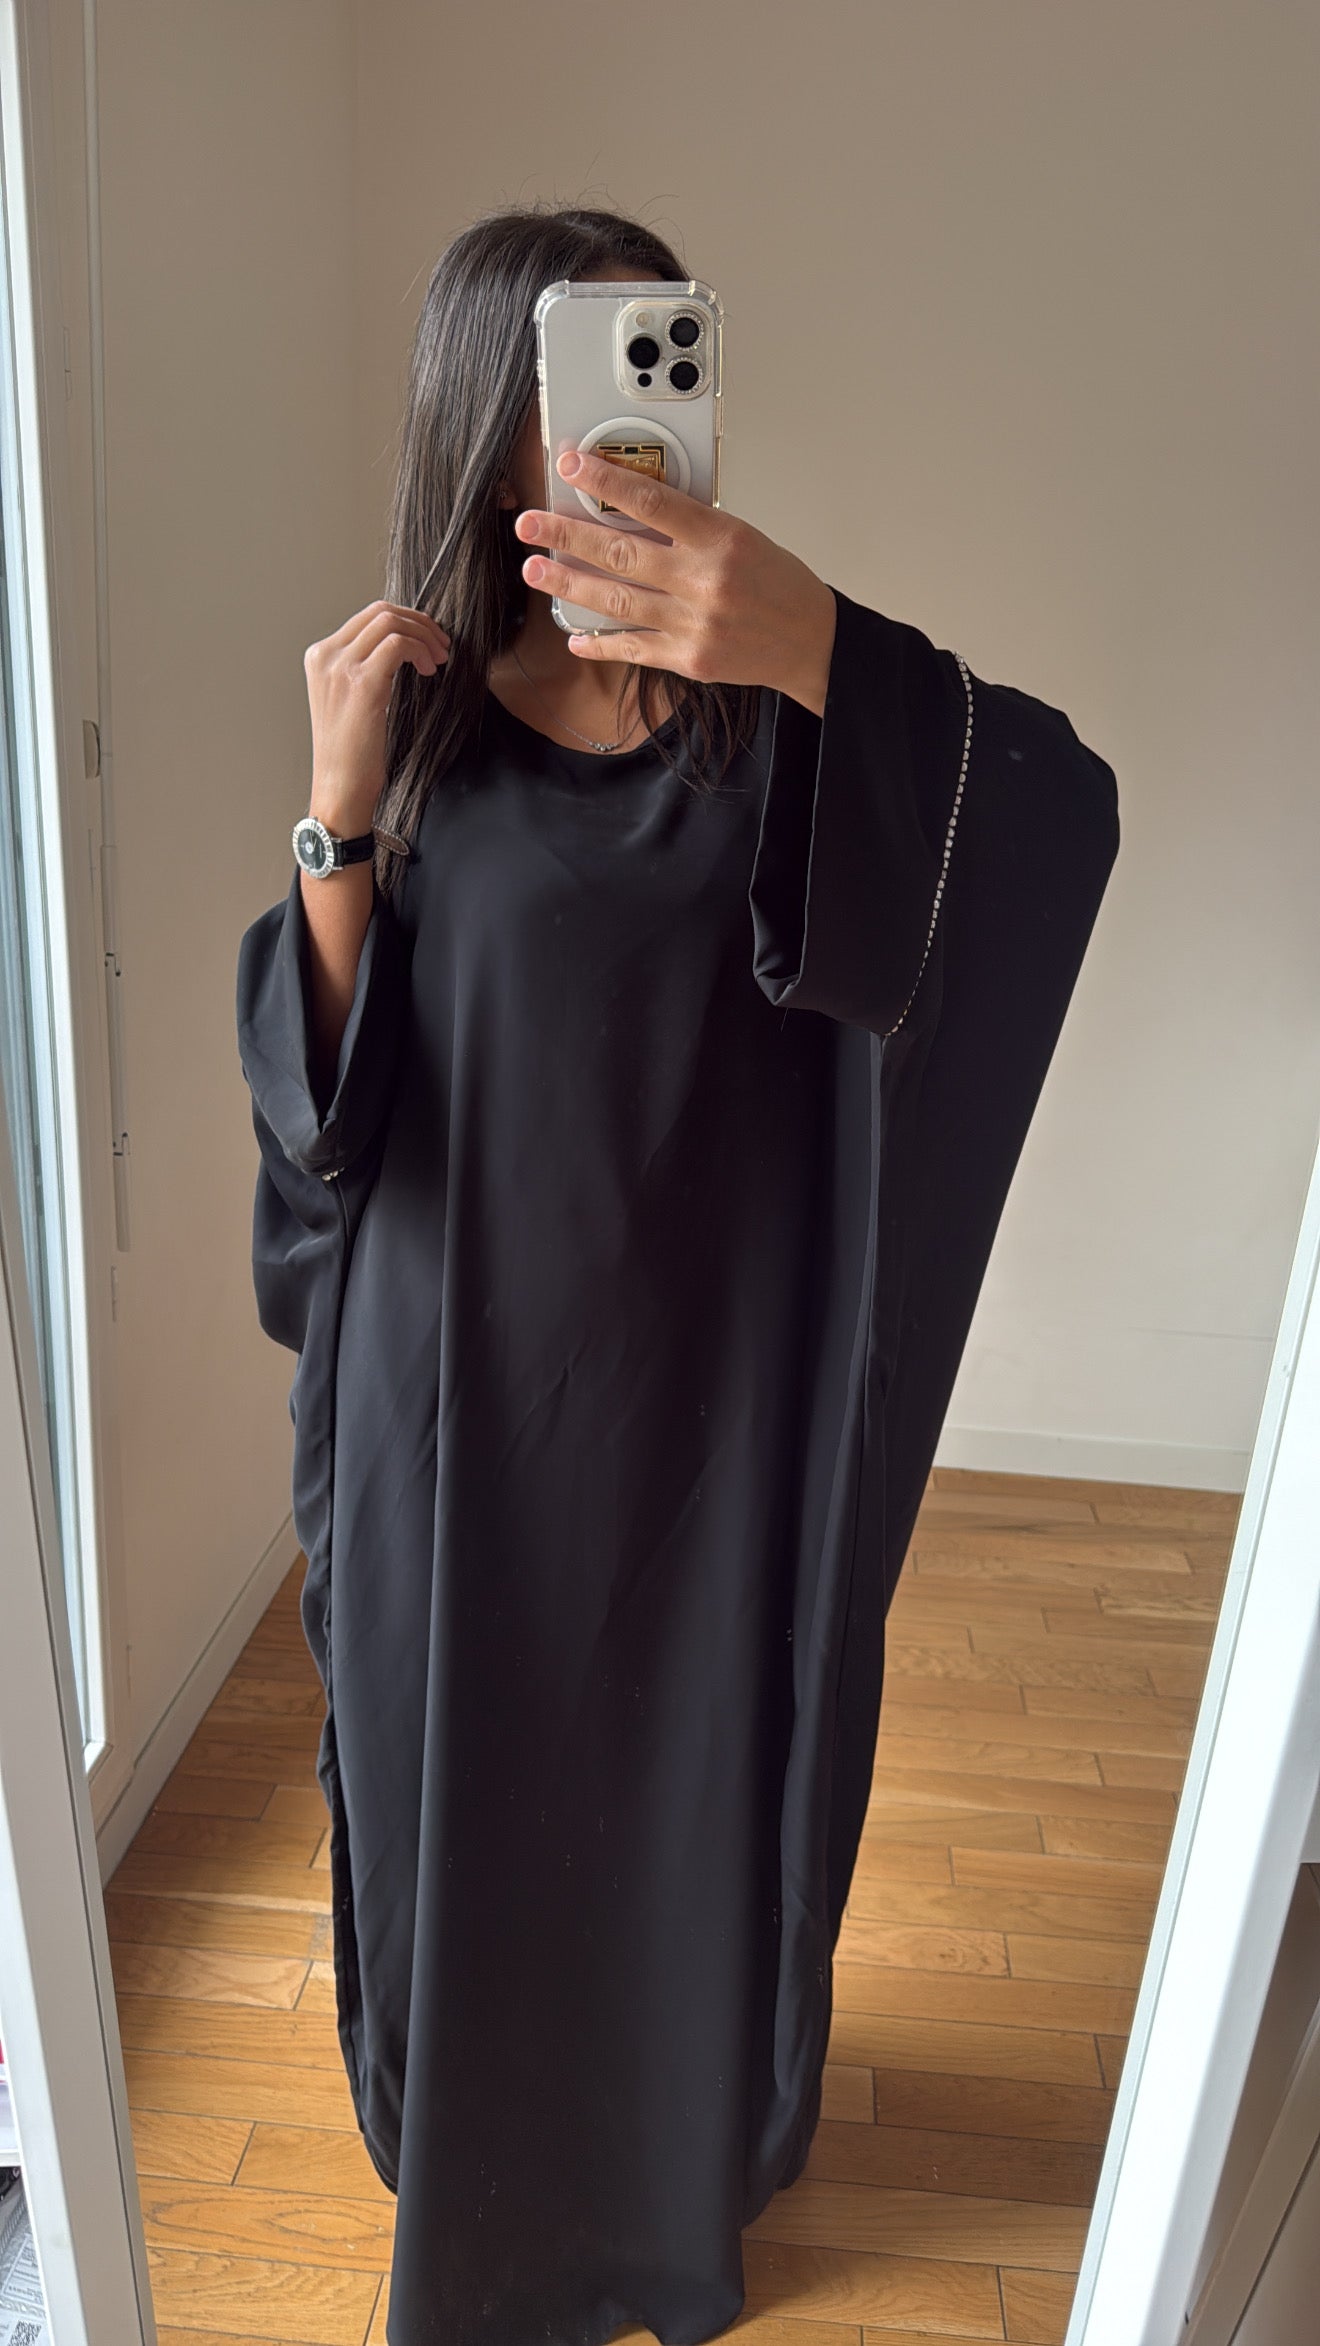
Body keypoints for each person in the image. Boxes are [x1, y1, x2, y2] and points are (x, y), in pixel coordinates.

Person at [235, 203, 1120, 2346]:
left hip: (716, 1406)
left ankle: (677, 2168)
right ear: (489, 418)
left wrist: (816, 642)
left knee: (705, 1789)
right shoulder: (423, 731)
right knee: (453, 1797)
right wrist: (332, 819)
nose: (608, 428)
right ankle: (473, 2163)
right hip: (454, 1408)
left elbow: (1055, 814)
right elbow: (327, 1114)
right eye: (563, 378)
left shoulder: (789, 719)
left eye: (654, 357)